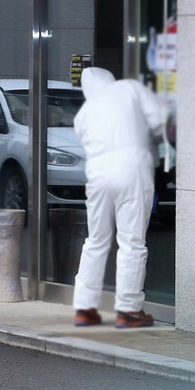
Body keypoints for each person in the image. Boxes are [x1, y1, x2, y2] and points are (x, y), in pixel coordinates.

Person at [72, 67, 165, 328]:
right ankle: (129, 310)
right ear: (110, 79)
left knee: (96, 240)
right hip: (131, 170)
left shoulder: (83, 114)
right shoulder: (129, 89)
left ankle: (85, 309)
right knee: (132, 241)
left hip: (98, 176)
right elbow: (158, 120)